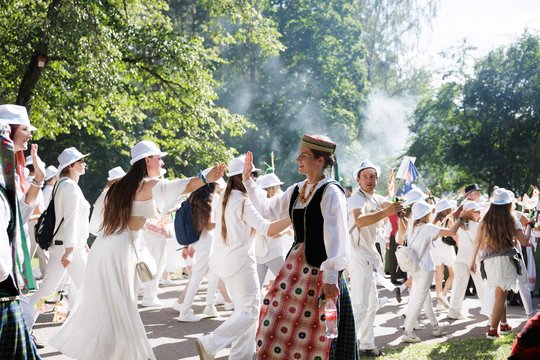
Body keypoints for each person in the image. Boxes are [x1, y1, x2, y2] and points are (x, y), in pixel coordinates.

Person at [50, 140, 225, 359]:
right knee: (122, 305)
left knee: (108, 307)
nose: (161, 161)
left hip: (104, 248)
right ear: (147, 160)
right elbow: (187, 185)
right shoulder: (149, 185)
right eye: (158, 157)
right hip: (122, 249)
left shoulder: (116, 187)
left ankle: (107, 353)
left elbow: (94, 225)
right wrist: (208, 176)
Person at [242, 135, 359, 359]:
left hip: (321, 272)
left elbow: (336, 237)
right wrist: (249, 181)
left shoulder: (331, 192)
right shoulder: (298, 189)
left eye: (304, 155)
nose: (298, 159)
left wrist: (331, 278)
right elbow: (268, 209)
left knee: (319, 333)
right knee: (275, 321)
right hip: (294, 270)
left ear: (320, 161)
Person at [195, 156, 290, 360]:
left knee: (244, 312)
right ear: (241, 177)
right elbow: (268, 230)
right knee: (250, 311)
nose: (254, 179)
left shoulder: (224, 198)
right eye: (252, 175)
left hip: (223, 262)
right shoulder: (243, 202)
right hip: (241, 264)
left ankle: (241, 356)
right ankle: (210, 343)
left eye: (254, 175)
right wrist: (293, 216)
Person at [21, 147, 91, 333]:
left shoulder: (62, 184)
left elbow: (67, 220)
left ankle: (24, 326)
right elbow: (70, 220)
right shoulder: (69, 187)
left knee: (46, 290)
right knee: (89, 288)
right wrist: (70, 249)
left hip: (64, 246)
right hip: (69, 247)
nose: (84, 164)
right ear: (71, 165)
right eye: (81, 161)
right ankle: (91, 329)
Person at [347, 160, 403, 357]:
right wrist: (388, 211)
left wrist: (400, 205)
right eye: (365, 177)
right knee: (360, 304)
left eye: (372, 176)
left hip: (370, 257)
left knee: (372, 303)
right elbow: (360, 220)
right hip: (358, 256)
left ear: (376, 179)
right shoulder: (356, 199)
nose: (369, 180)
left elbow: (392, 204)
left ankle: (366, 343)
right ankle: (349, 346)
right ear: (358, 180)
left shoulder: (375, 198)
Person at [0, 121, 41, 359]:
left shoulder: (13, 176)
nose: (30, 134)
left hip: (10, 274)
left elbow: (20, 216)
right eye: (25, 129)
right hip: (5, 284)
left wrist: (37, 179)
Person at [470, 188, 533, 339]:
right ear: (508, 204)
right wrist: (529, 226)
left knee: (500, 293)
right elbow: (524, 241)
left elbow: (477, 241)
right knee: (500, 295)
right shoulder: (511, 219)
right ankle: (492, 330)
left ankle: (503, 325)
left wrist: (472, 261)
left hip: (489, 261)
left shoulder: (485, 219)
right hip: (505, 260)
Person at [401, 200, 462, 343]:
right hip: (425, 269)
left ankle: (435, 327)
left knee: (425, 300)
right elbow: (452, 232)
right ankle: (408, 332)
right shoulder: (428, 227)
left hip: (415, 268)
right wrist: (461, 218)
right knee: (419, 301)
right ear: (425, 214)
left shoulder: (411, 227)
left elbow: (434, 236)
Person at [174, 180, 221, 321]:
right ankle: (185, 310)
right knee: (198, 276)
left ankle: (210, 306)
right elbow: (209, 225)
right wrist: (225, 221)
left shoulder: (193, 199)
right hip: (206, 240)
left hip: (198, 240)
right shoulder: (206, 202)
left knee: (214, 272)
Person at [254, 173, 294, 290]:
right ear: (273, 188)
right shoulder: (276, 203)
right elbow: (276, 232)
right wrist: (286, 230)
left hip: (260, 250)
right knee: (288, 285)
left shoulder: (258, 204)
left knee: (256, 288)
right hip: (273, 250)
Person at [448, 200, 484, 320]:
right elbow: (479, 243)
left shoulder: (460, 226)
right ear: (473, 212)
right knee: (481, 285)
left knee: (458, 285)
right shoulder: (477, 226)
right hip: (474, 258)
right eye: (478, 212)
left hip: (461, 256)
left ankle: (454, 311)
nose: (479, 214)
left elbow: (457, 241)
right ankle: (489, 310)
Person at [432, 199, 457, 311]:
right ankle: (444, 293)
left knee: (439, 276)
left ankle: (438, 303)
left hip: (435, 249)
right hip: (446, 249)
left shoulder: (433, 219)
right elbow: (455, 236)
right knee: (453, 274)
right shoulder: (450, 221)